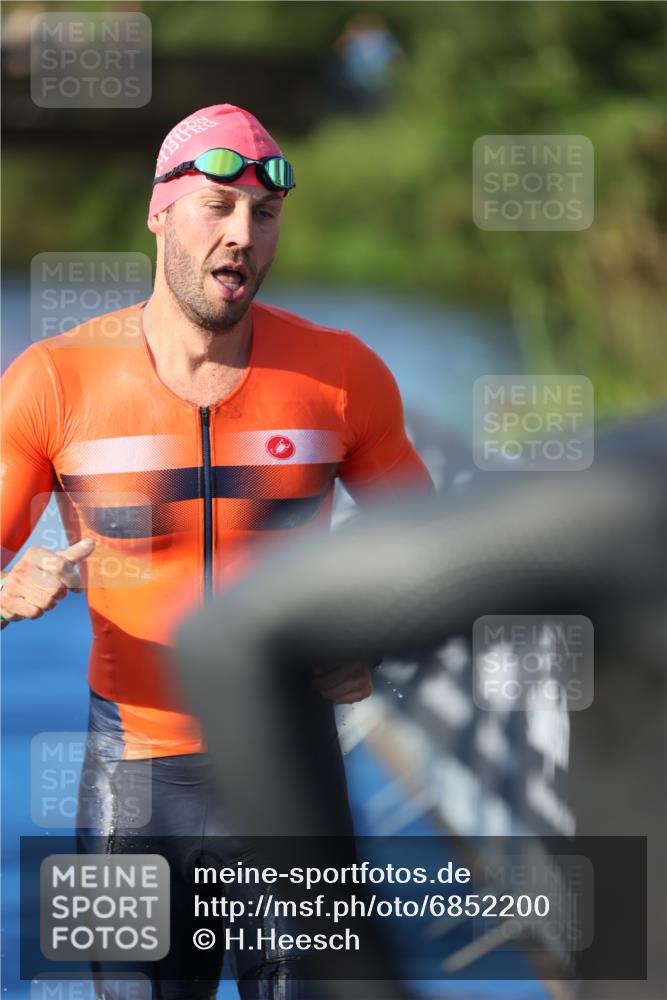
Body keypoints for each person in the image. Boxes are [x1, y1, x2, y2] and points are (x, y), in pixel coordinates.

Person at [0, 103, 433, 999]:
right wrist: (6, 590)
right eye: (215, 206)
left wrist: (377, 637)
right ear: (158, 211)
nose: (241, 235)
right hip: (130, 785)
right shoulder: (53, 379)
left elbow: (433, 557)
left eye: (263, 215)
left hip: (292, 778)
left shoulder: (340, 374)